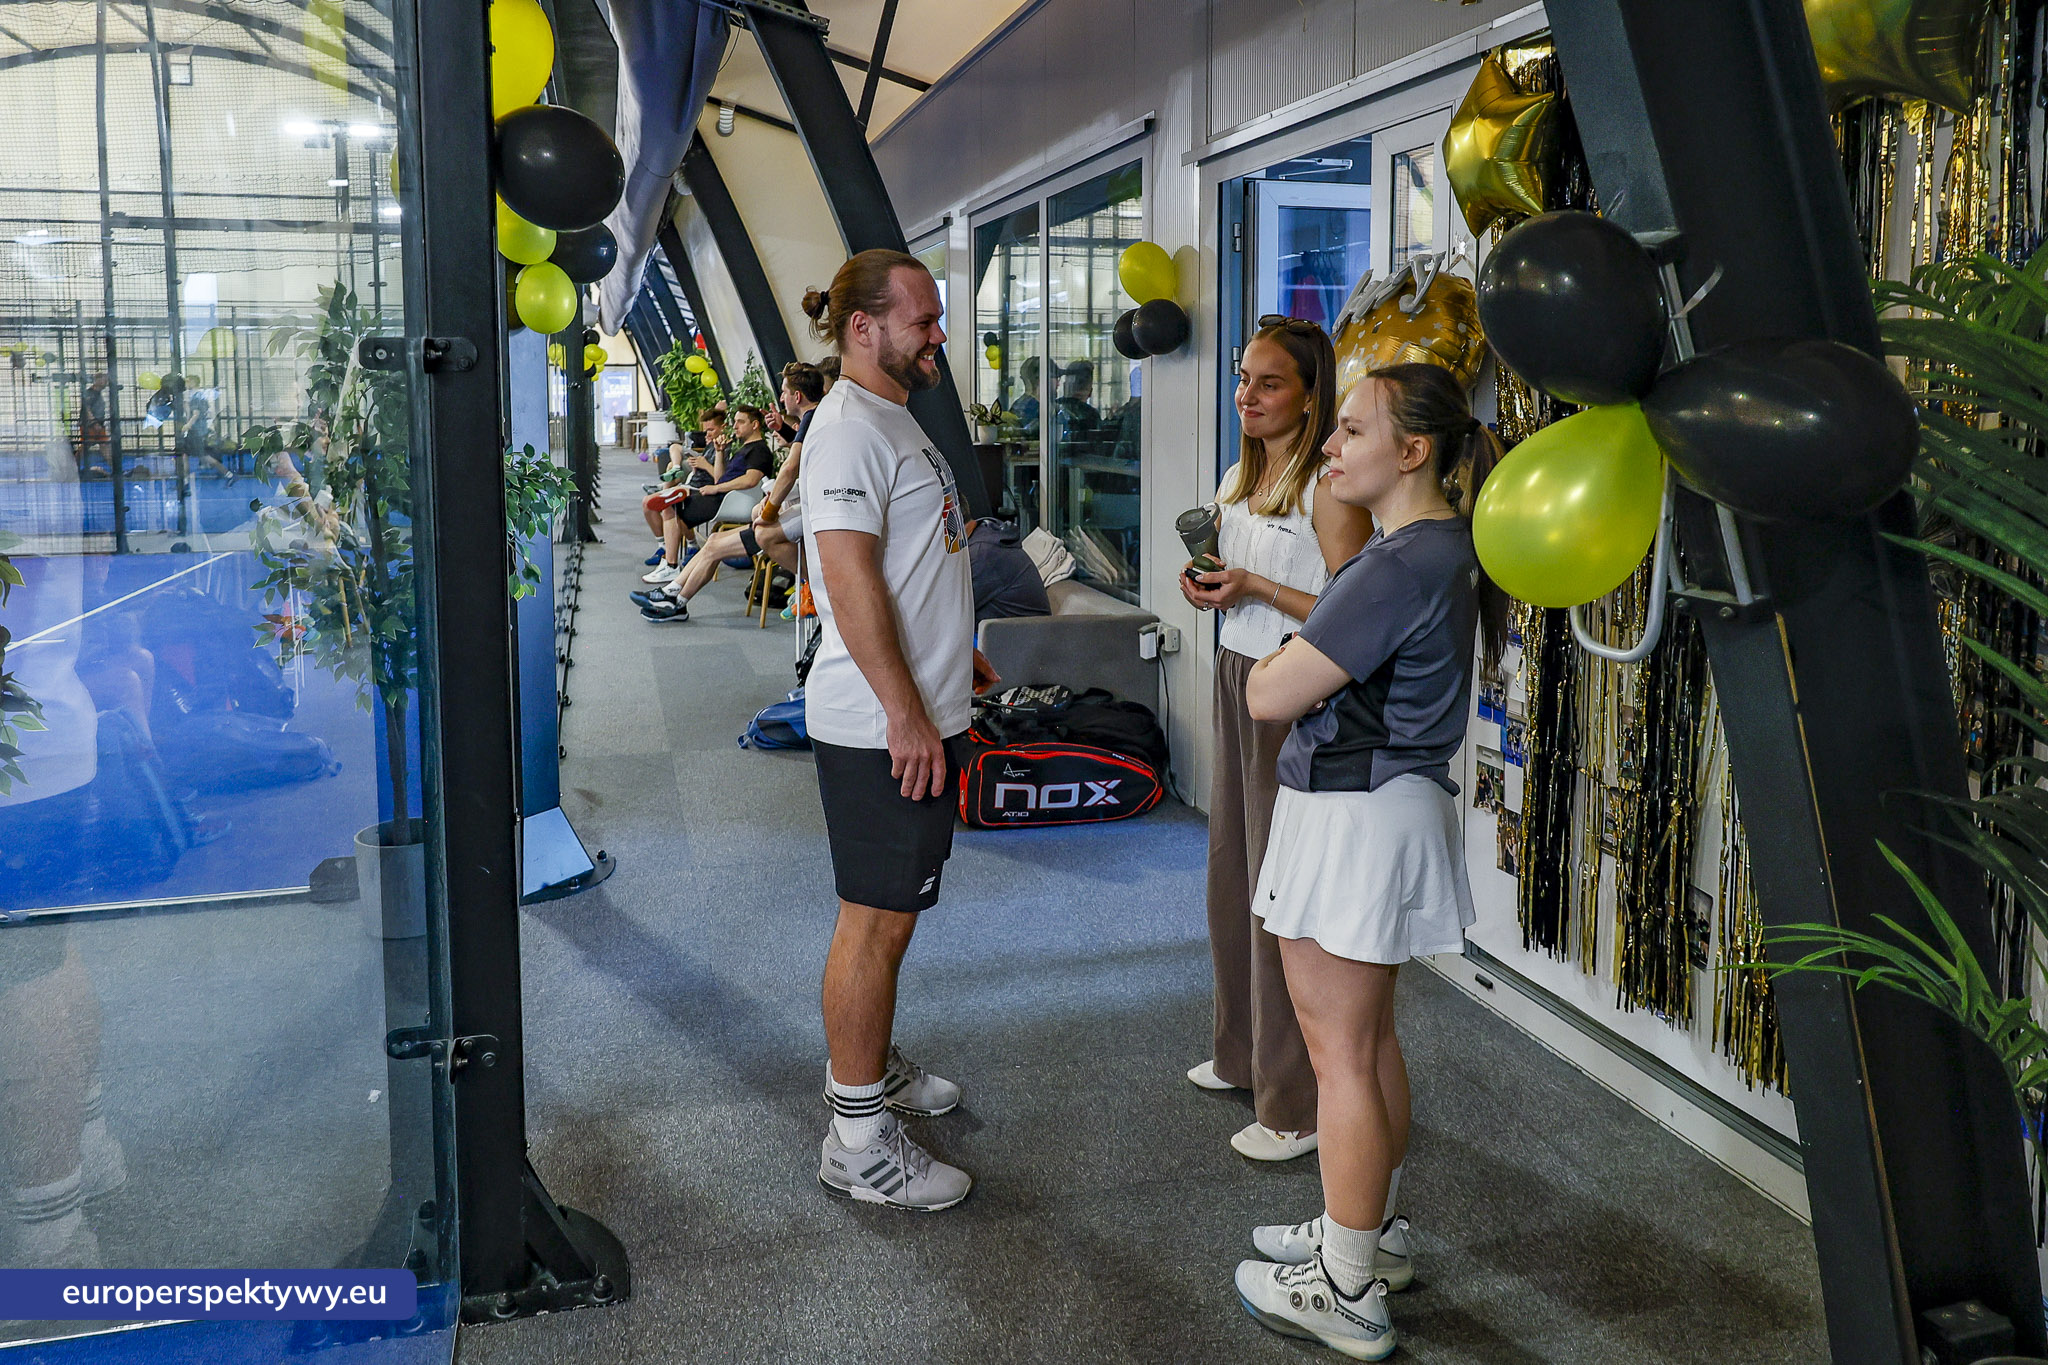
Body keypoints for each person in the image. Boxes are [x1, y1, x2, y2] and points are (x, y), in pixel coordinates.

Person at [1232, 363, 1506, 1360]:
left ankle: (1346, 1288)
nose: (1331, 446)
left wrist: (1274, 662)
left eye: (1349, 432)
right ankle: (1365, 1238)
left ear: (1413, 451)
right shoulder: (1428, 550)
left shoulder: (1397, 564)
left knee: (1340, 1053)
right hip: (1374, 807)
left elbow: (1270, 692)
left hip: (1355, 813)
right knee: (1367, 1040)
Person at [800, 248, 998, 1213]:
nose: (938, 336)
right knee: (873, 921)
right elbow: (848, 578)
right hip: (883, 725)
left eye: (937, 318)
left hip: (915, 704)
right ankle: (858, 1138)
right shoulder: (846, 428)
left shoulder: (894, 420)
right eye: (922, 320)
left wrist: (953, 655)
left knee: (894, 913)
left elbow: (919, 564)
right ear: (861, 328)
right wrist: (907, 711)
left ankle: (865, 1074)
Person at [1180, 317, 1371, 1163]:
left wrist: (1255, 584)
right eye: (1243, 378)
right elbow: (1238, 587)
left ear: (1309, 394)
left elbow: (1353, 613)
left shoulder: (1327, 486)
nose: (1246, 396)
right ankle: (1243, 1056)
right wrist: (1216, 586)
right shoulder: (1236, 476)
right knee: (1230, 871)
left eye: (1269, 383)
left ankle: (1293, 1104)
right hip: (1233, 677)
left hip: (1294, 690)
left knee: (1278, 892)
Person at [636, 366, 825, 623]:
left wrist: (769, 510)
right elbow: (803, 448)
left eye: (784, 393)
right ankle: (673, 595)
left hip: (790, 510)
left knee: (740, 538)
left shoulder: (811, 419)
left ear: (798, 396)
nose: (782, 399)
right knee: (713, 542)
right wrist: (782, 429)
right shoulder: (813, 420)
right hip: (785, 507)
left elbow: (790, 468)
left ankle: (815, 582)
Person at [963, 518, 1049, 623]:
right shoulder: (983, 535)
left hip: (1023, 635)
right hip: (1005, 631)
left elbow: (951, 610)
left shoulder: (982, 553)